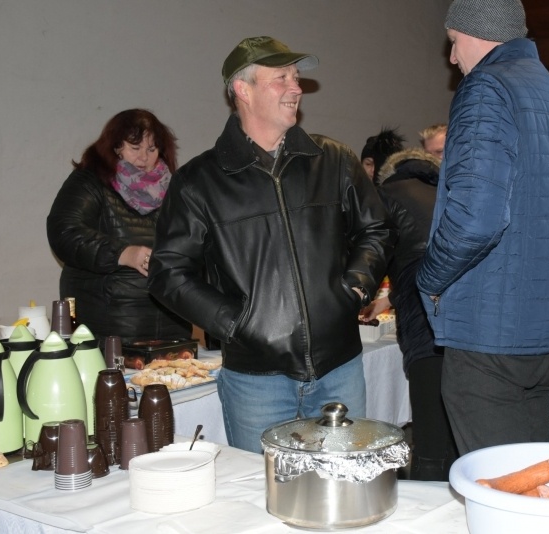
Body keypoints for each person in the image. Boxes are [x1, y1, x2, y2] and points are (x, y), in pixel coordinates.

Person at [147, 36, 395, 454]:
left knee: (344, 488)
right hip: (255, 382)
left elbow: (376, 230)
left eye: (296, 77)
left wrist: (355, 285)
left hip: (340, 368)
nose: (296, 88)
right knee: (263, 500)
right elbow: (168, 272)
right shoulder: (199, 182)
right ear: (242, 90)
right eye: (281, 78)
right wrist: (235, 322)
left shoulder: (333, 160)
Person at [416, 0, 549, 455]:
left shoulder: (487, 88)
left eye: (453, 44)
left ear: (475, 33)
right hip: (544, 335)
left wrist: (430, 279)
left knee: (499, 490)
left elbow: (475, 219)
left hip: (489, 333)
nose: (452, 59)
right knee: (531, 479)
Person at [46, 109, 192, 348]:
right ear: (116, 147)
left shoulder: (175, 188)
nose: (144, 157)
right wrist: (124, 254)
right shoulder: (90, 182)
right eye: (135, 148)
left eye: (152, 149)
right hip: (106, 329)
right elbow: (64, 232)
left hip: (171, 327)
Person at [362, 147, 458, 481]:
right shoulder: (452, 193)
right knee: (458, 433)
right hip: (467, 326)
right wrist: (386, 300)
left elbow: (369, 258)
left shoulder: (385, 195)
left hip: (424, 325)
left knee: (429, 441)